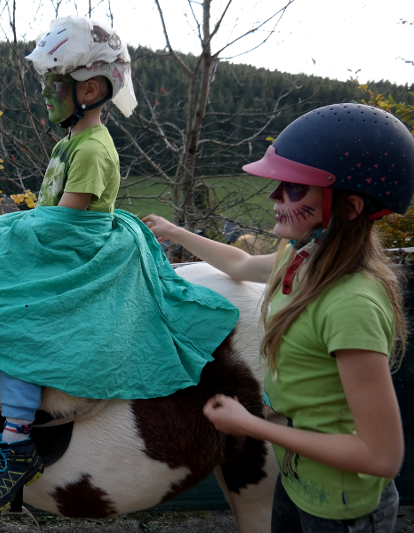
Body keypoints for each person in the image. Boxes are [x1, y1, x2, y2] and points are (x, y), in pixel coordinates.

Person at [0, 15, 237, 517]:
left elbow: (66, 222)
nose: (47, 94)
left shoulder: (96, 149)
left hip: (75, 254)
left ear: (91, 88)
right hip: (57, 240)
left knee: (22, 322)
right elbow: (50, 213)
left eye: (55, 83)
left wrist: (12, 234)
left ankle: (15, 441)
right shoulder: (68, 144)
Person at [143, 103, 414, 532]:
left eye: (294, 188)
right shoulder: (303, 255)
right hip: (298, 480)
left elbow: (381, 456)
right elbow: (241, 265)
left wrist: (253, 425)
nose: (274, 197)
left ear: (349, 206)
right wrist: (176, 232)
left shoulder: (351, 303)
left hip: (344, 511)